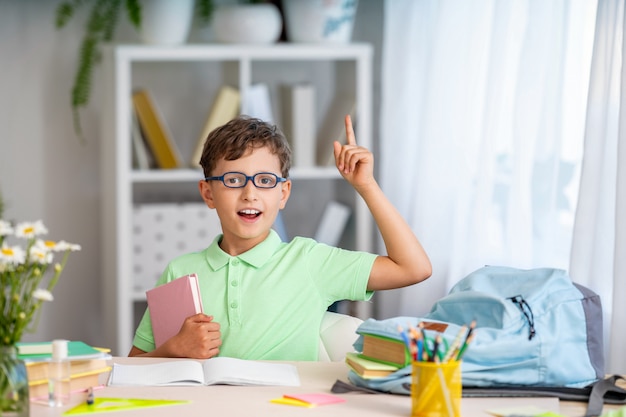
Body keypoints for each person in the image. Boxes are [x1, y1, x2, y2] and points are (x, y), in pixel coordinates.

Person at [129, 114, 431, 360]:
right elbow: (134, 368)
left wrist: (367, 186)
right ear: (208, 193)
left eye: (264, 181)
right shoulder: (179, 272)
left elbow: (413, 268)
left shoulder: (309, 261)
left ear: (283, 193)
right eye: (233, 180)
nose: (250, 194)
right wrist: (172, 349)